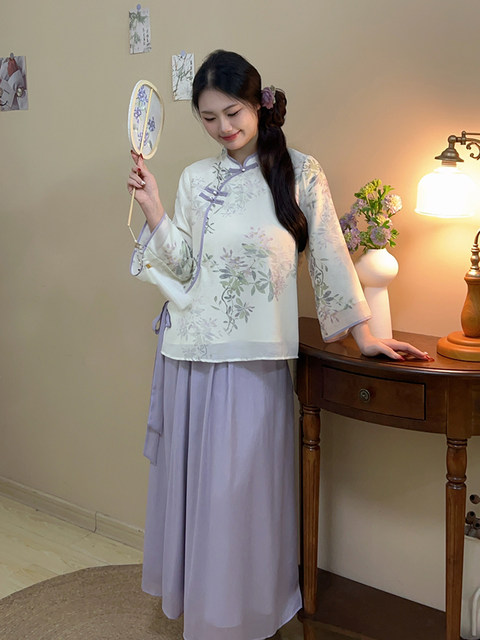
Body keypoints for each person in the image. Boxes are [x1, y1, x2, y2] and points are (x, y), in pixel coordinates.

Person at [127, 50, 430, 640]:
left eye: (233, 112)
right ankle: (206, 616)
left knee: (243, 498)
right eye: (208, 118)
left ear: (258, 104)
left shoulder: (300, 172)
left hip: (258, 363)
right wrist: (154, 208)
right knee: (200, 497)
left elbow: (330, 255)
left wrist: (365, 334)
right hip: (190, 356)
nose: (223, 128)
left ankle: (247, 616)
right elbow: (184, 266)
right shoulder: (193, 179)